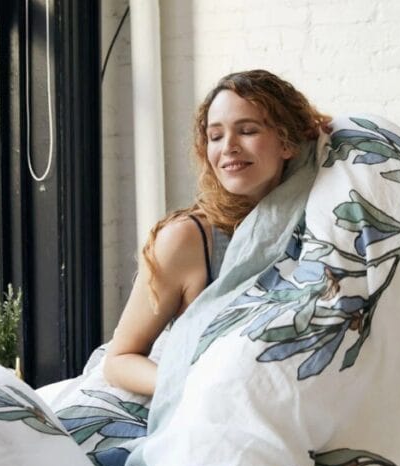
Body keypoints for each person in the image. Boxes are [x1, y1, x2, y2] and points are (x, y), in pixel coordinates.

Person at [103, 70, 330, 396]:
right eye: (215, 136)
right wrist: (201, 392)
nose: (229, 147)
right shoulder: (186, 239)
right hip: (185, 403)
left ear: (287, 142)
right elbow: (120, 360)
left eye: (248, 130)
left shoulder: (319, 226)